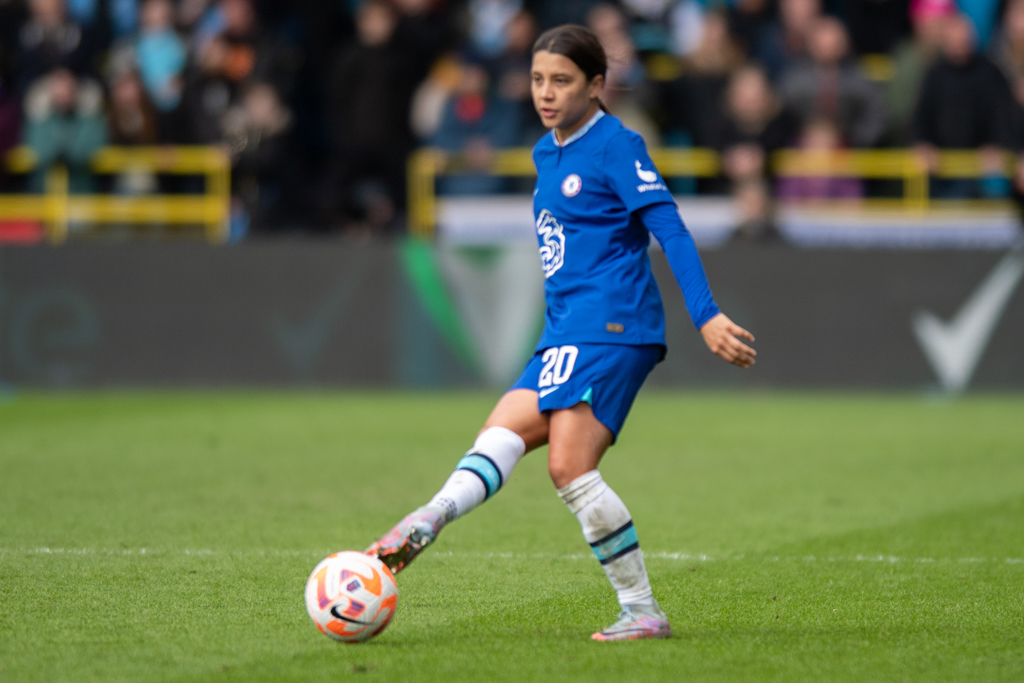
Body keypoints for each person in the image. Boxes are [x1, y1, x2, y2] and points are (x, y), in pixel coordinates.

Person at [366, 24, 757, 641]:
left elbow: (671, 229)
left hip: (613, 324)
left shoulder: (617, 145)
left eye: (562, 81)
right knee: (500, 433)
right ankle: (428, 518)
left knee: (569, 466)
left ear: (595, 85)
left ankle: (641, 610)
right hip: (565, 330)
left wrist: (705, 313)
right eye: (537, 79)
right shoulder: (546, 152)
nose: (545, 93)